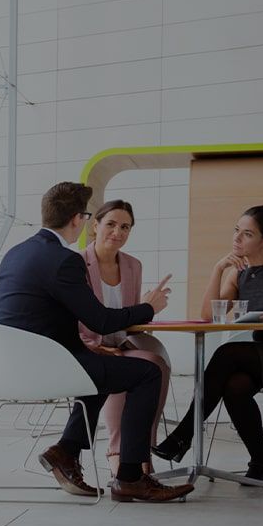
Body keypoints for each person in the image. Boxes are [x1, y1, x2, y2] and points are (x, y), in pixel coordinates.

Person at [0, 182, 193, 502]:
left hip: (8, 365)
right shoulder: (64, 259)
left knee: (98, 369)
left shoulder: (17, 252)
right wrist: (149, 307)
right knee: (147, 372)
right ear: (79, 219)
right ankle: (130, 476)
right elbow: (100, 319)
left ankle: (66, 451)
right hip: (46, 367)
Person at [153, 205, 263, 482]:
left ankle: (183, 436)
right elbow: (208, 315)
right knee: (234, 386)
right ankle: (261, 463)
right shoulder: (238, 272)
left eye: (247, 234)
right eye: (236, 231)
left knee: (228, 352)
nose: (237, 239)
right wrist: (219, 269)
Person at [78, 200, 172, 475]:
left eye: (125, 227)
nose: (117, 232)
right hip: (88, 344)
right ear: (95, 226)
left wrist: (148, 306)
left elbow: (131, 318)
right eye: (111, 224)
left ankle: (140, 449)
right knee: (130, 370)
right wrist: (96, 347)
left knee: (156, 362)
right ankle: (118, 452)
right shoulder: (78, 264)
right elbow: (73, 317)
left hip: (120, 341)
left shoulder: (133, 265)